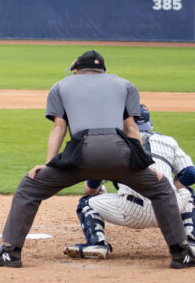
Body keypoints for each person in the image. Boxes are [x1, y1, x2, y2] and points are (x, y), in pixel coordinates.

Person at [0, 50, 195, 269]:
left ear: (77, 70)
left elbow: (59, 127)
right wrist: (147, 165)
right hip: (119, 152)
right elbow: (131, 128)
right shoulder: (125, 84)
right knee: (162, 189)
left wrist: (48, 164)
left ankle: (10, 252)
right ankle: (181, 253)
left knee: (29, 187)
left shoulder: (61, 85)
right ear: (103, 71)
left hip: (81, 154)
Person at [64, 104, 195, 259]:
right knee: (186, 193)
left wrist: (92, 191)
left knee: (86, 203)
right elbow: (190, 173)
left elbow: (94, 181)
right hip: (168, 209)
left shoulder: (113, 143)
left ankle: (97, 243)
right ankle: (190, 241)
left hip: (132, 212)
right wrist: (171, 188)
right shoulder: (168, 141)